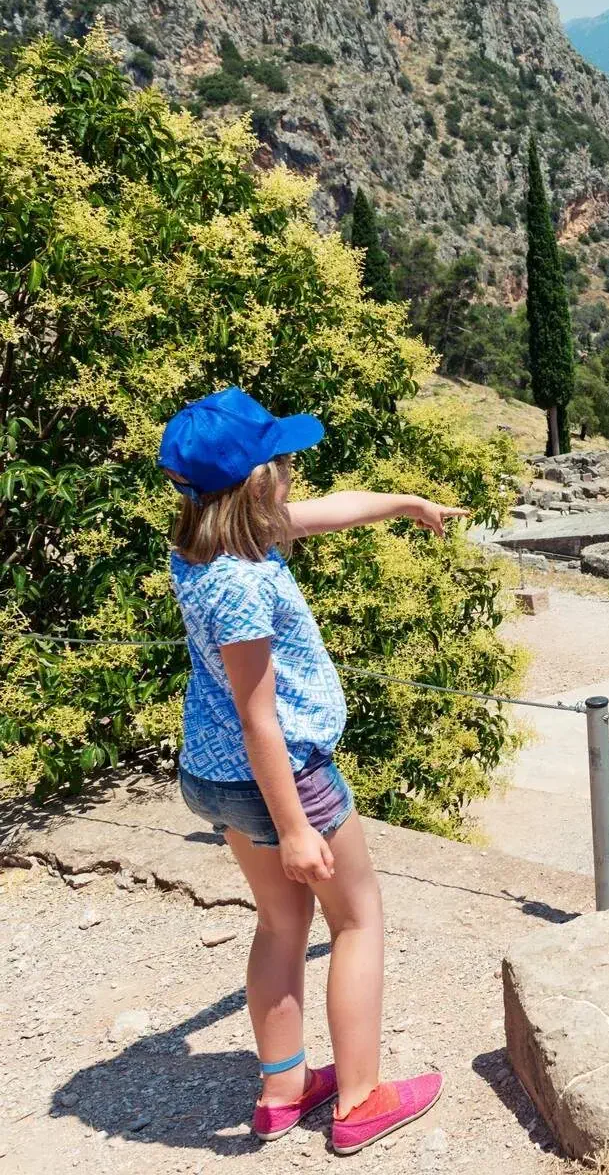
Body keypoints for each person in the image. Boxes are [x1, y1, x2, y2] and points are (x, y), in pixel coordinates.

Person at [161, 387, 461, 1154]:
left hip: (215, 775)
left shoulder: (204, 547)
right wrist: (294, 828)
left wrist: (404, 502)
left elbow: (330, 509)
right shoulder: (247, 583)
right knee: (357, 920)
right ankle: (360, 1100)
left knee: (280, 924)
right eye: (284, 460)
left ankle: (283, 1090)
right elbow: (260, 715)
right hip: (284, 779)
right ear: (260, 483)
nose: (295, 471)